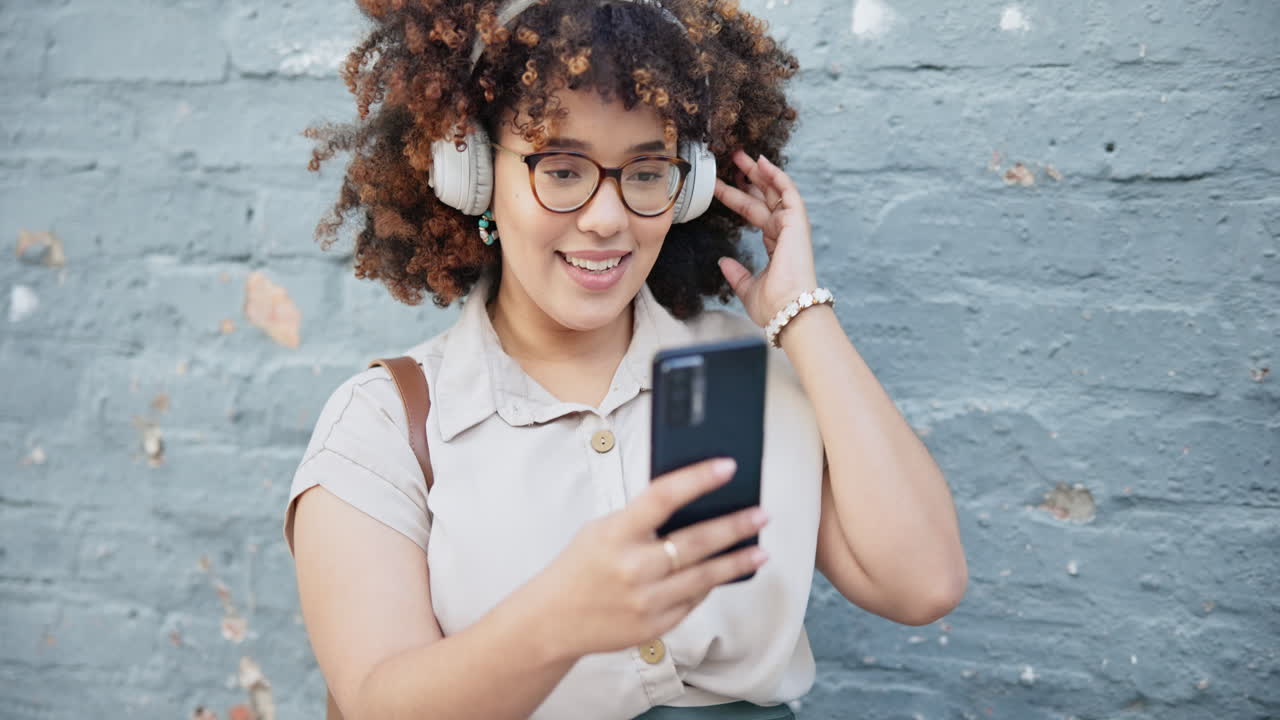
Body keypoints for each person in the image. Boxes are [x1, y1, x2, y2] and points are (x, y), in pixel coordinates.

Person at [282, 1, 968, 718]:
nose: (607, 219)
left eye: (646, 173)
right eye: (562, 167)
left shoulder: (741, 374)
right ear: (475, 173)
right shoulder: (382, 427)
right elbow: (376, 703)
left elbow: (923, 583)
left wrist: (801, 314)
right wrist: (559, 619)